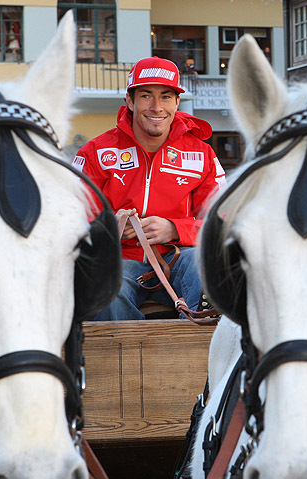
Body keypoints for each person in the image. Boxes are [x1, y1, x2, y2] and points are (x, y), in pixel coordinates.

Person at [75, 56, 225, 320]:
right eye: (146, 96)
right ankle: (125, 360)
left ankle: (201, 358)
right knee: (106, 289)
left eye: (166, 96)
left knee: (206, 267)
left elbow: (224, 221)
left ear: (177, 102)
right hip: (119, 261)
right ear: (130, 101)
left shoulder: (201, 154)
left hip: (181, 258)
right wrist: (111, 228)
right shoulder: (96, 152)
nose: (157, 107)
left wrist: (175, 229)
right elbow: (69, 217)